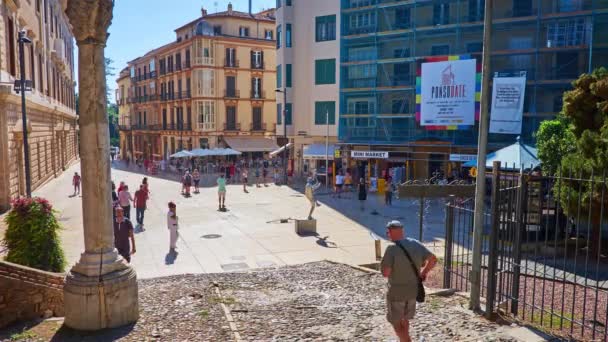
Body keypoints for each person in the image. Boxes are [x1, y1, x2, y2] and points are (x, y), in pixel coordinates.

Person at [381, 220, 437, 342]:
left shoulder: (391, 249)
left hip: (396, 292)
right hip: (413, 291)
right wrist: (424, 273)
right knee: (405, 319)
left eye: (388, 232)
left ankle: (406, 340)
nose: (387, 234)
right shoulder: (415, 243)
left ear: (390, 232)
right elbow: (433, 259)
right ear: (402, 231)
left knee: (396, 322)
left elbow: (386, 273)